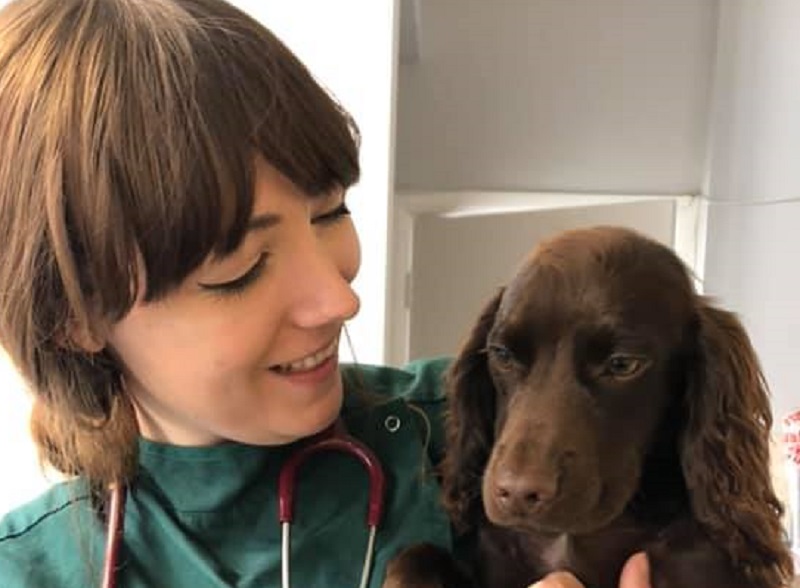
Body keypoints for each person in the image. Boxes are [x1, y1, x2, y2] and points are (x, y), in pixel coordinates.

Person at [0, 0, 653, 586]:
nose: (339, 301)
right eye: (241, 268)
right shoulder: (27, 570)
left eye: (330, 212)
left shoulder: (485, 429)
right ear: (74, 315)